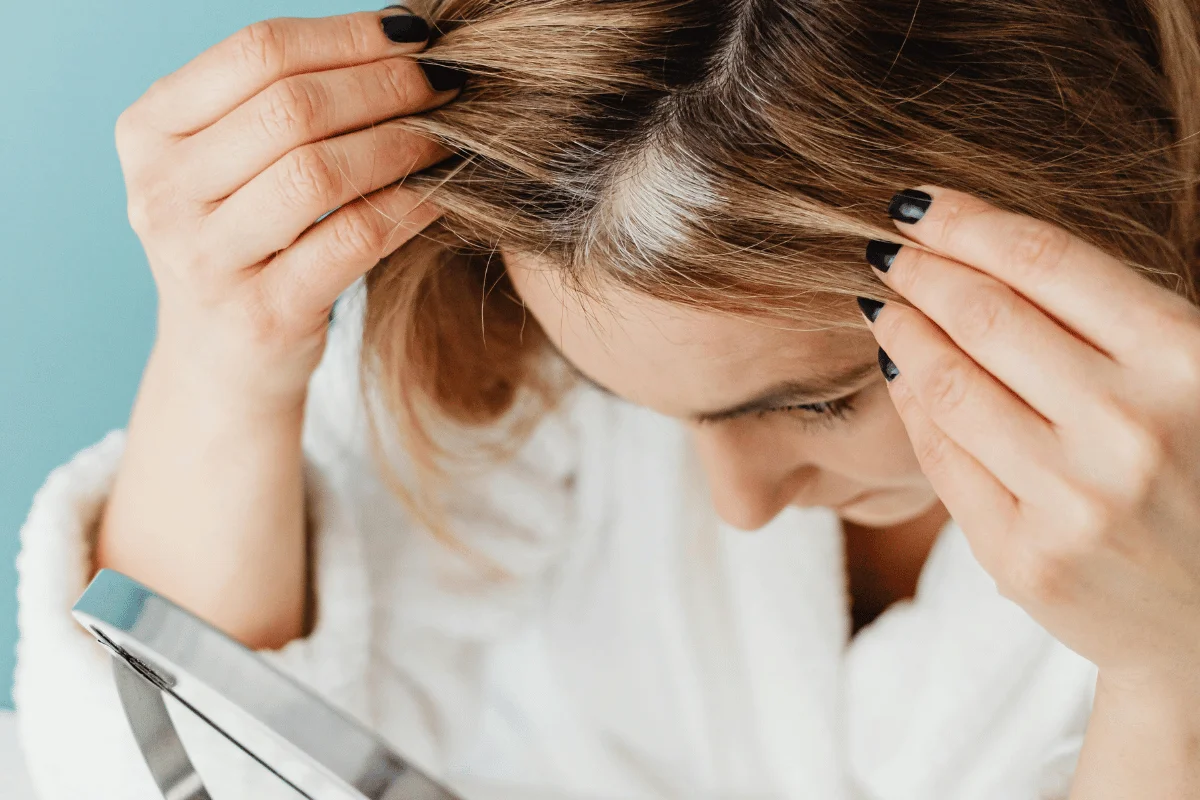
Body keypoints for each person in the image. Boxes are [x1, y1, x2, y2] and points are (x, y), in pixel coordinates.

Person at [13, 0, 1200, 798]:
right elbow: (134, 770)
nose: (734, 505)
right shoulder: (495, 377)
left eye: (822, 400)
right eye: (645, 403)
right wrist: (226, 356)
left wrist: (1171, 680)